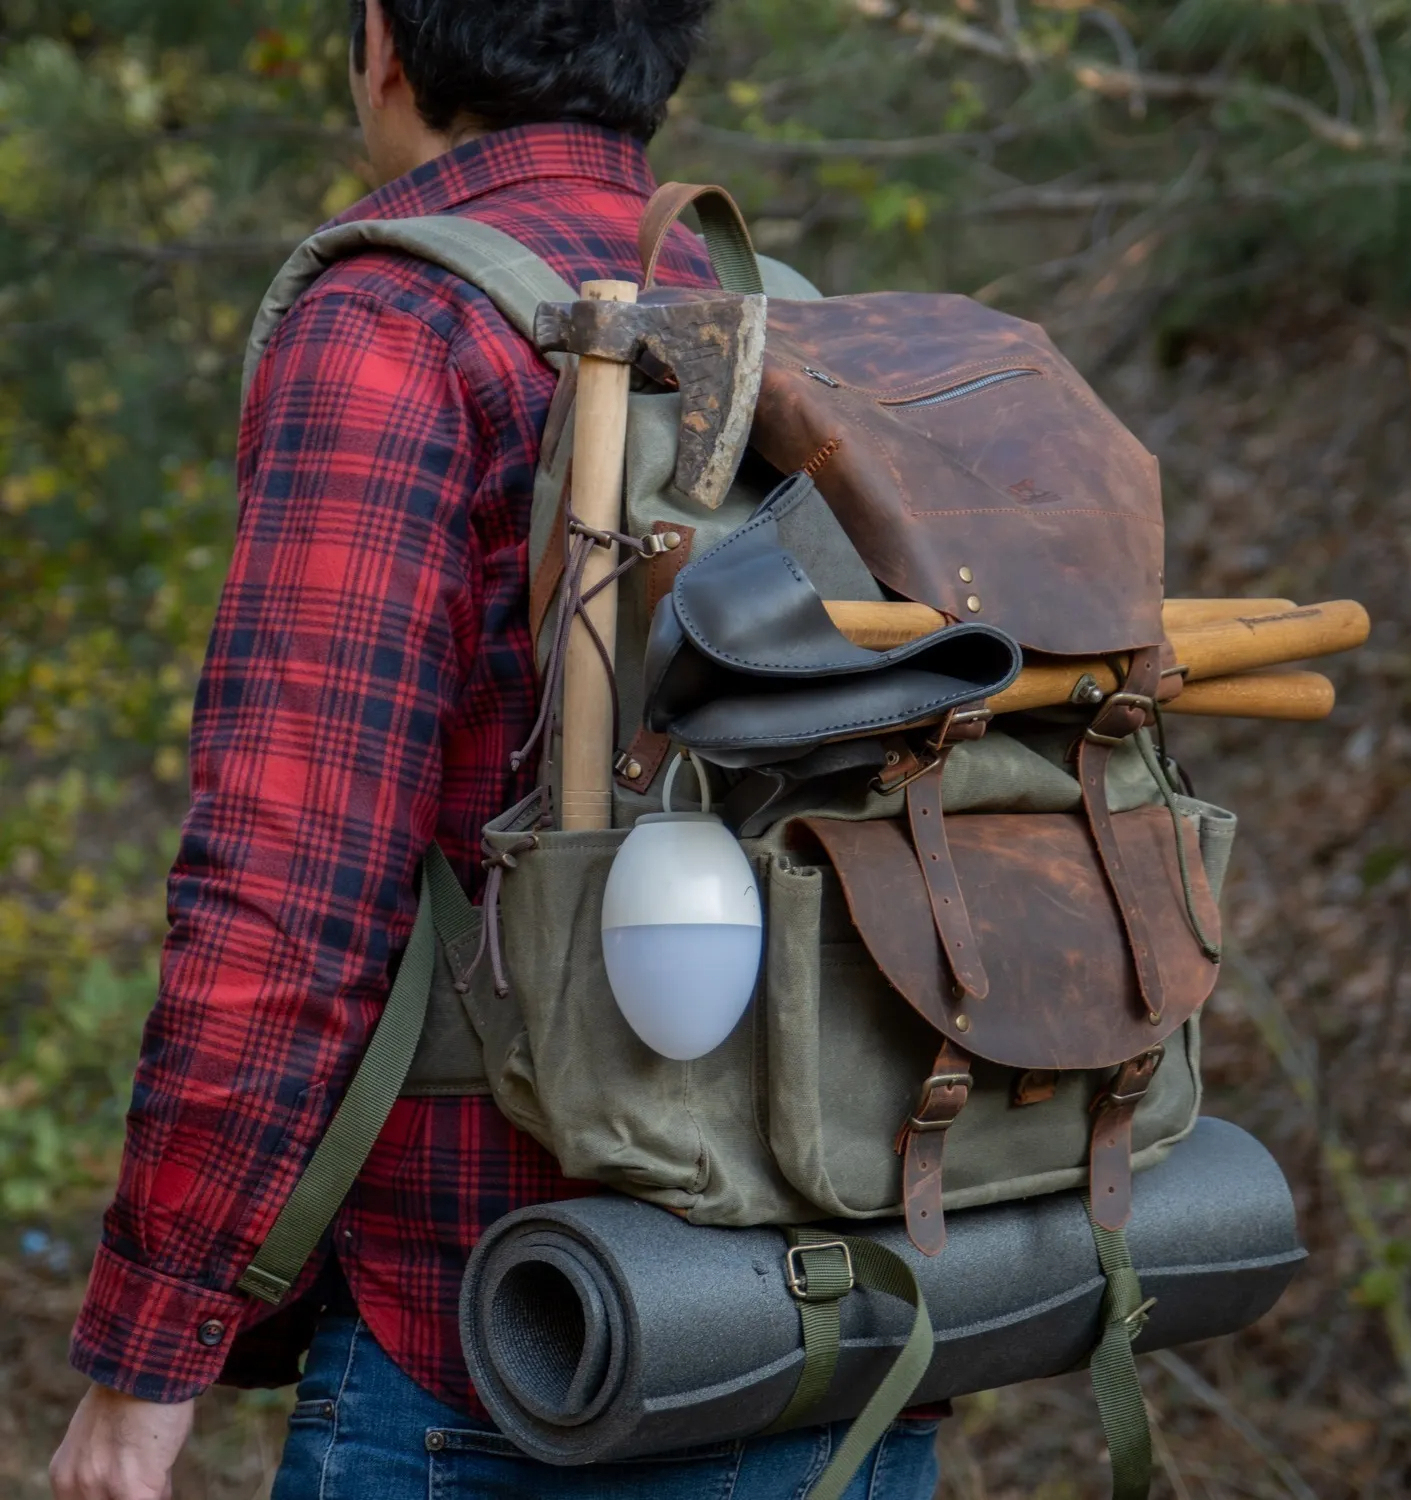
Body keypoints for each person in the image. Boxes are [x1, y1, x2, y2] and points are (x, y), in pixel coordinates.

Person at [48, 4, 942, 1498]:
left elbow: (287, 888)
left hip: (499, 1348)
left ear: (384, 40)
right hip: (833, 1326)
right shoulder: (772, 320)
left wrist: (149, 1361)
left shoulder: (396, 326)